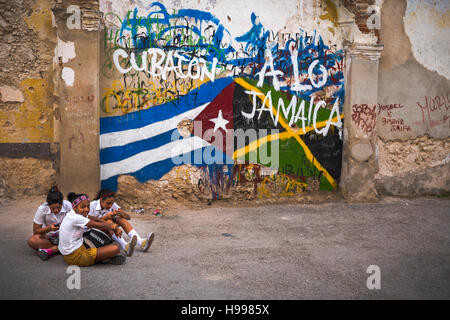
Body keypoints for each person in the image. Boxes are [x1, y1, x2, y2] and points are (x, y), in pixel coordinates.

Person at [58, 192, 126, 266]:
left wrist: (112, 227)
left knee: (100, 239)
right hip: (76, 257)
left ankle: (103, 257)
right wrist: (114, 228)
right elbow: (100, 225)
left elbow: (94, 218)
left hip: (73, 250)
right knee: (115, 249)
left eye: (88, 206)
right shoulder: (75, 218)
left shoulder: (73, 213)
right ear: (74, 207)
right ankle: (103, 259)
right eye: (83, 207)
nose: (86, 209)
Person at [89, 189, 154, 255]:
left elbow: (129, 218)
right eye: (108, 203)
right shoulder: (92, 206)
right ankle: (125, 246)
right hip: (95, 232)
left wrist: (123, 214)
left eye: (112, 203)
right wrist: (106, 217)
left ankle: (141, 243)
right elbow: (90, 224)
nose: (110, 206)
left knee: (121, 219)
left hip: (109, 228)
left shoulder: (112, 204)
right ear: (101, 200)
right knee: (108, 221)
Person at [27, 186, 72, 261]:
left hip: (66, 234)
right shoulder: (42, 209)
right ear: (48, 205)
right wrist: (49, 228)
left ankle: (53, 249)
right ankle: (63, 248)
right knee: (32, 241)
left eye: (58, 207)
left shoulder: (68, 205)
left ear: (62, 203)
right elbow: (36, 231)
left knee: (80, 235)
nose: (56, 210)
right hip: (49, 237)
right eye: (52, 208)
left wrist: (64, 226)